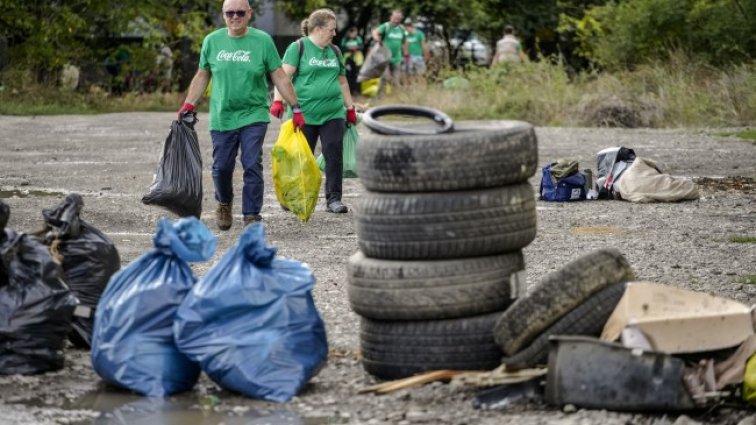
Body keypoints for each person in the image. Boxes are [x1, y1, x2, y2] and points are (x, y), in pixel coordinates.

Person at [178, 0, 303, 231]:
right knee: (222, 167)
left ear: (249, 14)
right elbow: (202, 75)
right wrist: (189, 104)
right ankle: (224, 202)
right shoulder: (212, 41)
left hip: (253, 114)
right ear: (223, 15)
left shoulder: (262, 41)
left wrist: (295, 106)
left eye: (240, 12)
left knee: (251, 162)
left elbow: (279, 75)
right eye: (230, 13)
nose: (235, 17)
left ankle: (251, 214)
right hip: (222, 115)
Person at [270, 9, 356, 214]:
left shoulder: (335, 51)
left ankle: (333, 199)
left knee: (334, 154)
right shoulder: (298, 48)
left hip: (333, 113)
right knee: (300, 157)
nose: (334, 33)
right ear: (317, 29)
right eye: (331, 29)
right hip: (303, 113)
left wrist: (350, 107)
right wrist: (278, 101)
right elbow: (282, 77)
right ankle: (292, 195)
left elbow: (342, 81)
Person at [371, 9, 408, 95]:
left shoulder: (402, 29)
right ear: (391, 17)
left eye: (398, 19)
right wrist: (377, 39)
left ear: (400, 19)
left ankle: (395, 99)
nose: (396, 20)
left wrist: (406, 54)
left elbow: (405, 42)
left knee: (396, 80)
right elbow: (375, 32)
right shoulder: (386, 26)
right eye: (394, 18)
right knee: (385, 77)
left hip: (397, 57)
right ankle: (380, 97)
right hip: (385, 57)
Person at [402, 18, 429, 84]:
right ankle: (411, 90)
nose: (407, 28)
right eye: (406, 26)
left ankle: (422, 89)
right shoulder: (405, 35)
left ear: (412, 26)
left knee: (420, 74)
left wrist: (426, 54)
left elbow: (423, 45)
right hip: (408, 57)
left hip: (418, 56)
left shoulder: (419, 34)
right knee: (409, 74)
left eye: (409, 26)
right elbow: (403, 46)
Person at [340, 27, 364, 95]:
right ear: (349, 33)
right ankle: (349, 90)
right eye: (352, 33)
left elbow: (361, 47)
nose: (354, 34)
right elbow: (342, 49)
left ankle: (357, 90)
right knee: (348, 75)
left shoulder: (358, 39)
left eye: (355, 33)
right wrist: (350, 49)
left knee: (357, 74)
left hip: (357, 60)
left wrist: (356, 49)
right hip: (348, 60)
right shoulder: (345, 39)